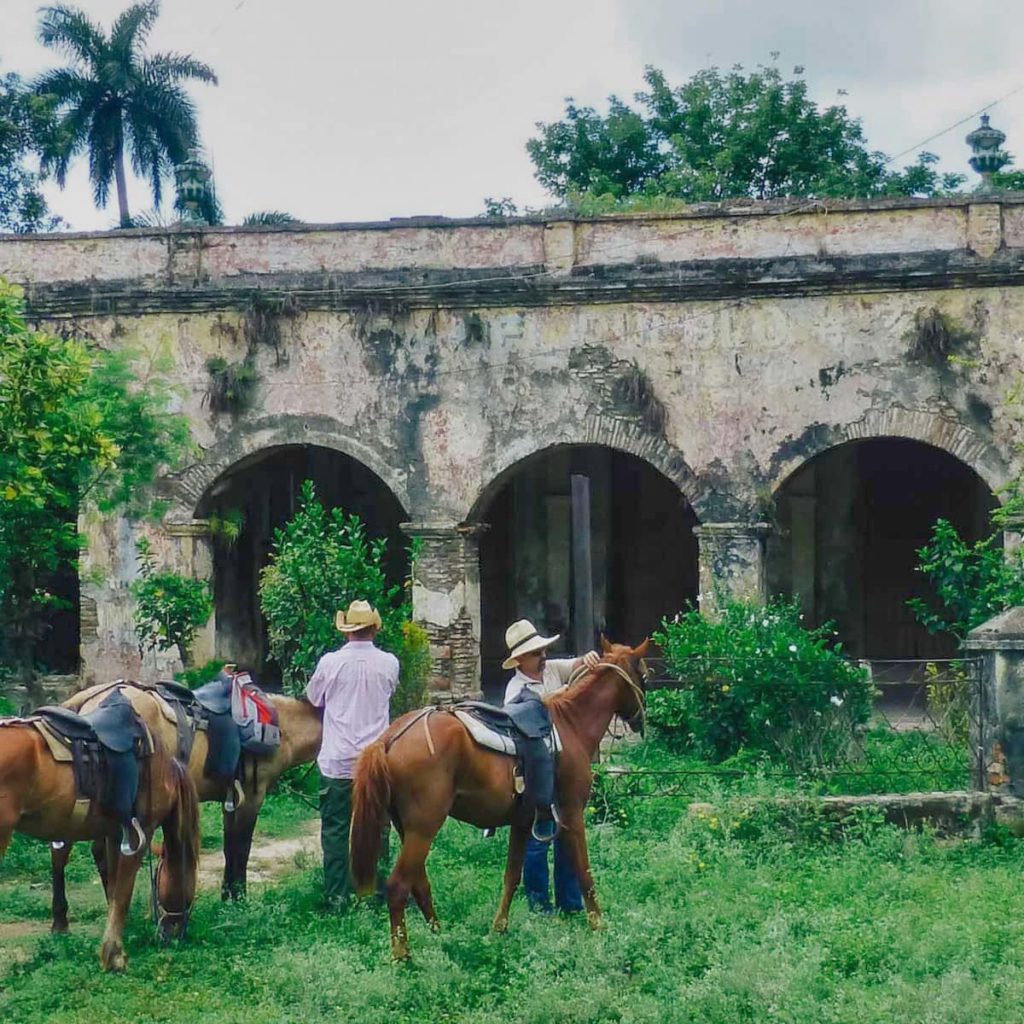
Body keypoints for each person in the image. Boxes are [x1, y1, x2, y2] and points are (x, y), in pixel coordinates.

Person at [501, 618, 600, 915]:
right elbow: (515, 717)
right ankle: (539, 907)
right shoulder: (515, 688)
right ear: (519, 660)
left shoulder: (552, 669)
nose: (542, 656)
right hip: (538, 775)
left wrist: (591, 658)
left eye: (542, 651)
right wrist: (546, 701)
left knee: (568, 834)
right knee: (538, 838)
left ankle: (569, 905)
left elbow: (577, 664)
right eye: (535, 653)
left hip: (565, 769)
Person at [306, 599, 399, 911]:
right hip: (375, 763)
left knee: (335, 830)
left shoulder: (330, 663)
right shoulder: (389, 663)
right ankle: (372, 893)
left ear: (347, 630)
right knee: (376, 827)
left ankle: (336, 897)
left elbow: (313, 698)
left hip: (337, 760)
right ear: (374, 628)